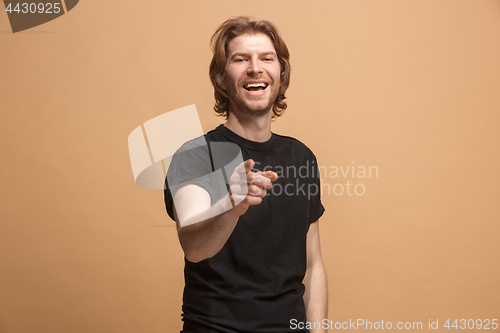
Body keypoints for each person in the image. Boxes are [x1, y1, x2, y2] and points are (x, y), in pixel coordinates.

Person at [164, 16, 328, 333]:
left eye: (267, 58)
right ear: (222, 78)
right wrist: (232, 205)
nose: (255, 68)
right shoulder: (195, 154)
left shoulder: (300, 156)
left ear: (281, 75)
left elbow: (313, 264)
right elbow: (194, 248)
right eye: (241, 59)